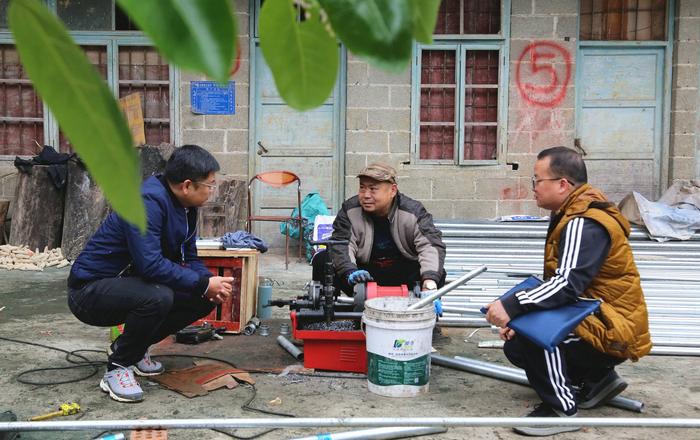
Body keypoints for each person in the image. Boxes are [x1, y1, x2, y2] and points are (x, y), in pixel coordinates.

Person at [484, 146, 651, 436]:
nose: (533, 187)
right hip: (603, 320)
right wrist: (519, 314)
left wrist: (513, 307)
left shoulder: (583, 222)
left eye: (537, 180)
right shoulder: (571, 212)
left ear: (563, 184)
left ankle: (561, 410)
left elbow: (565, 286)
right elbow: (565, 286)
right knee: (517, 342)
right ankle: (599, 380)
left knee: (533, 334)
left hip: (613, 329)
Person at [67, 145, 234, 403]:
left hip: (131, 284)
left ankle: (134, 349)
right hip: (90, 291)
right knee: (159, 296)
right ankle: (118, 368)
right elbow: (150, 265)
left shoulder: (187, 207)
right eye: (210, 185)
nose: (212, 192)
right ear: (187, 185)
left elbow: (188, 256)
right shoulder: (147, 202)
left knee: (202, 298)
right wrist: (201, 282)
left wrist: (210, 284)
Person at [313, 163, 446, 297]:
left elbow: (430, 246)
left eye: (373, 189)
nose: (366, 195)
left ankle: (424, 307)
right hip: (363, 276)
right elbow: (342, 244)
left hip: (403, 276)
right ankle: (332, 311)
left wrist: (429, 283)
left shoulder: (413, 212)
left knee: (434, 273)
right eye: (362, 188)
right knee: (323, 259)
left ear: (393, 190)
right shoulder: (350, 210)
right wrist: (349, 271)